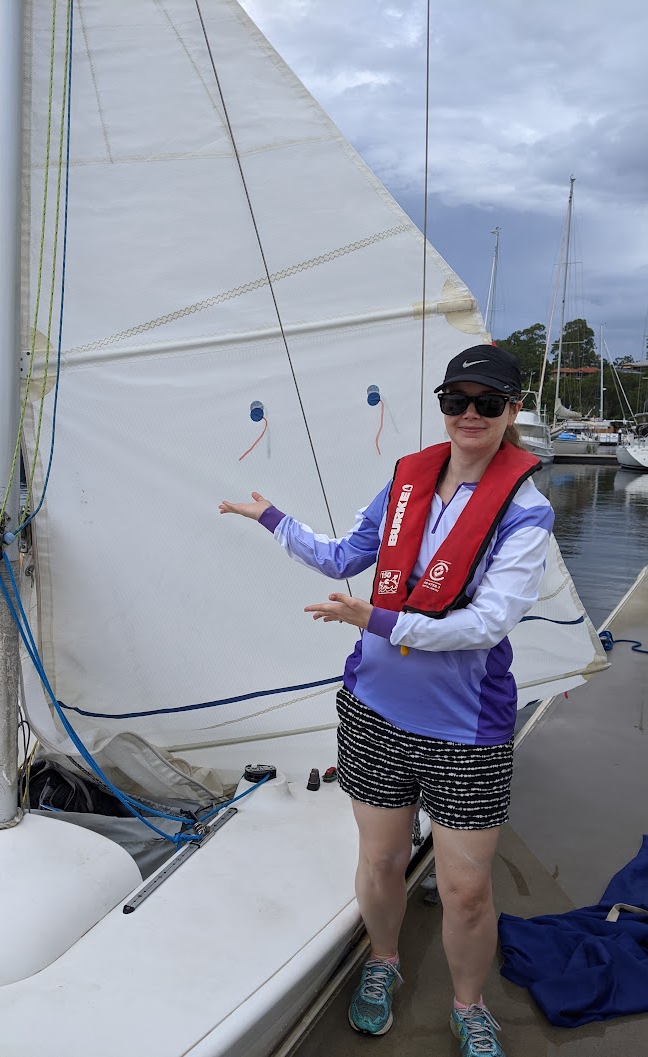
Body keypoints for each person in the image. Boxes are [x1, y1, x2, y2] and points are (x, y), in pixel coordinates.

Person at [219, 344, 554, 1057]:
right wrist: (272, 517)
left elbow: (485, 624)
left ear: (511, 412)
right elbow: (343, 557)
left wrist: (371, 618)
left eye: (486, 402)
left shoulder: (526, 512)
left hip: (464, 731)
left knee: (465, 890)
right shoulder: (406, 482)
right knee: (379, 861)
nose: (468, 414)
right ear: (441, 405)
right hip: (372, 711)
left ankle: (467, 1005)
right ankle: (383, 961)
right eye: (455, 400)